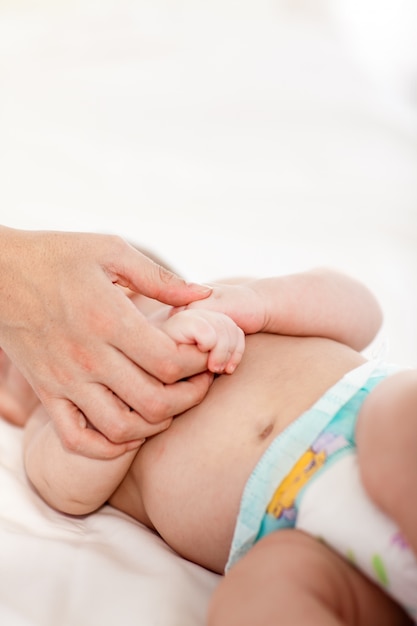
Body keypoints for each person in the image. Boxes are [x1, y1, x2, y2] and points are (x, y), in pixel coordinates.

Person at [1, 265, 416, 624]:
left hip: (362, 412)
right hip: (290, 532)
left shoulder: (220, 296)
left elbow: (362, 310)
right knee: (250, 600)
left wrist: (258, 301)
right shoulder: (51, 426)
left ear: (124, 285)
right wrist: (126, 390)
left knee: (397, 420)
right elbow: (67, 491)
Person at [0, 225, 215, 459]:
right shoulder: (55, 433)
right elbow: (71, 487)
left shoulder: (211, 300)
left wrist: (207, 321)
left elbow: (256, 302)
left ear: (122, 288)